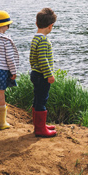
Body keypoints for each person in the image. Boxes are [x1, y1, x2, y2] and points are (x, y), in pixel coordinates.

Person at [30, 7, 57, 137]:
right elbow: (42, 59)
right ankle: (40, 130)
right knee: (42, 100)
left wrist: (33, 69)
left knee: (37, 99)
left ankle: (39, 125)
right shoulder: (43, 40)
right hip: (42, 75)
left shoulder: (35, 38)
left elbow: (32, 58)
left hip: (36, 73)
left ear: (37, 24)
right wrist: (49, 75)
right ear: (51, 26)